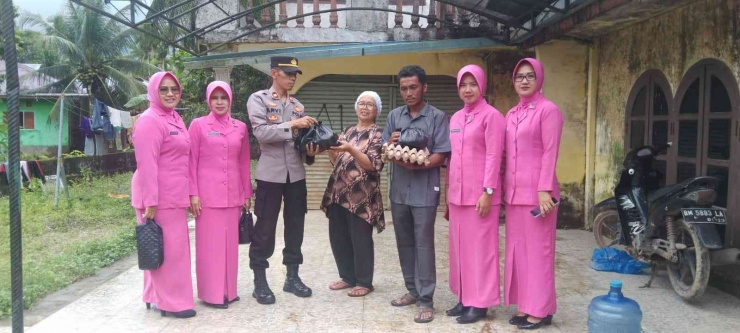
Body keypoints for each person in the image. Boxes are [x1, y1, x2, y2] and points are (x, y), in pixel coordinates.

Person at [246, 56, 318, 305]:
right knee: (265, 228)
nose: (292, 77)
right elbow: (262, 133)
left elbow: (299, 142)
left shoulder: (298, 105)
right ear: (274, 72)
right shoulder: (259, 99)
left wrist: (311, 148)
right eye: (287, 73)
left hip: (296, 175)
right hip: (270, 175)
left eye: (295, 73)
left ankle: (292, 277)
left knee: (296, 226)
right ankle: (260, 281)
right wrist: (293, 124)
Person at [383, 65, 451, 323]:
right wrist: (391, 148)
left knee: (423, 245)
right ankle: (412, 290)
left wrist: (416, 163)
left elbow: (441, 154)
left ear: (424, 87)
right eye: (403, 88)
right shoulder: (394, 116)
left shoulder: (437, 117)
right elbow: (387, 149)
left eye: (413, 87)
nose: (408, 93)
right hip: (399, 190)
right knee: (404, 243)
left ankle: (426, 299)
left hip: (424, 191)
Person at [504, 58, 564, 330]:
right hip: (515, 195)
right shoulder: (511, 114)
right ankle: (526, 306)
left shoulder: (548, 110)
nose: (524, 81)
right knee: (519, 253)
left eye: (530, 76)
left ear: (539, 79)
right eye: (519, 77)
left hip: (539, 195)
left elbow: (550, 152)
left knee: (539, 253)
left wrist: (544, 190)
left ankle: (541, 311)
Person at [130, 71, 196, 318]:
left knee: (157, 246)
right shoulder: (149, 120)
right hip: (157, 197)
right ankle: (172, 303)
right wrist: (151, 201)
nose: (170, 94)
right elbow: (146, 163)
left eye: (174, 89)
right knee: (171, 250)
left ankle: (151, 295)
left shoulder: (174, 117)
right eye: (164, 89)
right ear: (153, 93)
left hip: (173, 194)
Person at [445, 64, 506, 324]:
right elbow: (453, 158)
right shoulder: (456, 118)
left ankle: (479, 303)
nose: (467, 89)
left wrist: (488, 191)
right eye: (463, 84)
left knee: (481, 250)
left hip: (481, 197)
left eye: (473, 84)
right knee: (459, 250)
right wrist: (448, 195)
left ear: (481, 86)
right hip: (457, 196)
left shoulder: (492, 116)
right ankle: (464, 297)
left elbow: (494, 155)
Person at [188, 81, 253, 309]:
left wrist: (247, 191)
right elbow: (191, 161)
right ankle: (212, 294)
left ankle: (229, 291)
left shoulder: (240, 127)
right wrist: (193, 193)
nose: (219, 102)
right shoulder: (198, 125)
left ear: (230, 100)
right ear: (208, 100)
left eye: (223, 98)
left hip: (233, 195)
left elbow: (243, 161)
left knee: (230, 247)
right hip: (207, 198)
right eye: (214, 98)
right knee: (210, 248)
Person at [321, 91, 386, 298]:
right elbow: (335, 161)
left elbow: (373, 165)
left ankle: (364, 281)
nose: (365, 107)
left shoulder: (378, 134)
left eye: (370, 104)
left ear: (376, 110)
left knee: (361, 238)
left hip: (362, 195)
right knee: (338, 237)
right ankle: (347, 277)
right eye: (362, 103)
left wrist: (350, 149)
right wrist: (330, 149)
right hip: (338, 191)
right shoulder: (347, 130)